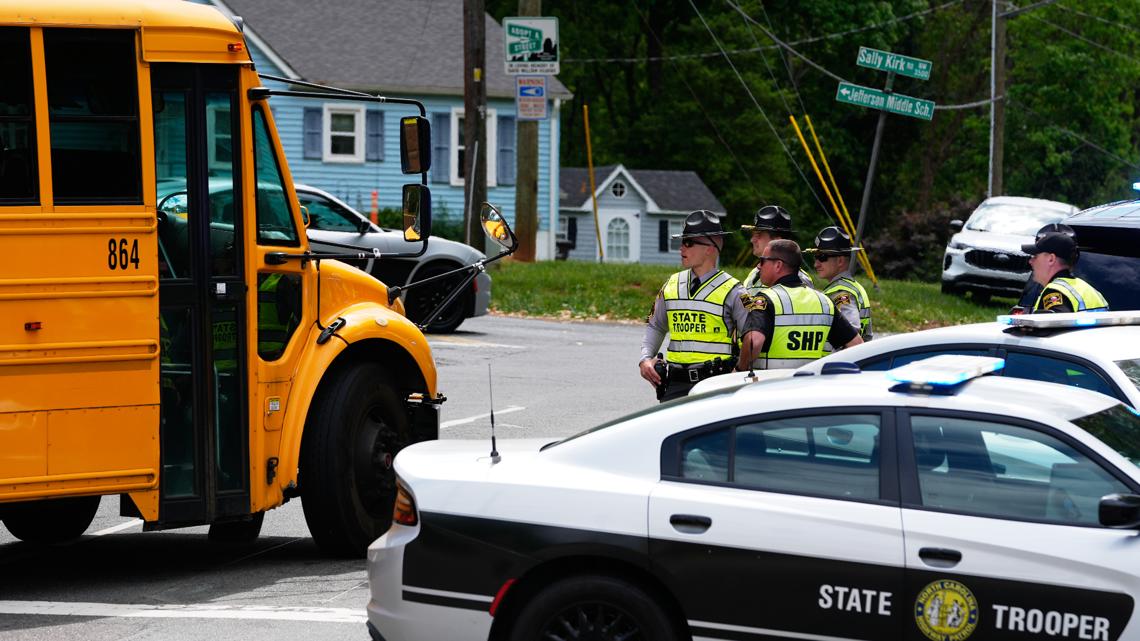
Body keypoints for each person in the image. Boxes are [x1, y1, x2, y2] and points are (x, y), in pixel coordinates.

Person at [640, 210, 763, 401]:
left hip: (716, 382)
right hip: (674, 383)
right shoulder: (671, 284)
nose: (681, 248)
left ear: (710, 248)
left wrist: (739, 370)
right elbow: (656, 325)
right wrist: (646, 358)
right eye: (682, 242)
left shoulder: (734, 290)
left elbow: (752, 337)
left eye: (688, 243)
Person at [743, 239, 863, 370]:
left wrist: (739, 368)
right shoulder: (824, 302)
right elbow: (857, 345)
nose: (759, 266)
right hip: (808, 386)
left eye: (762, 261)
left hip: (771, 385)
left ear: (778, 265)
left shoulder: (766, 299)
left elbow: (754, 342)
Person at [806, 226, 873, 342]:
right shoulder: (852, 286)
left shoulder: (841, 292)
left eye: (822, 257)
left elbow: (851, 330)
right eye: (815, 257)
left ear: (840, 261)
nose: (816, 265)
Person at [1021, 226, 1109, 313]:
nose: (1031, 261)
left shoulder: (1055, 291)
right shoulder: (1089, 290)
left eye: (1035, 256)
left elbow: (1058, 324)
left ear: (1051, 259)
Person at [741, 205, 813, 291]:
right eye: (753, 235)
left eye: (758, 234)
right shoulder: (754, 273)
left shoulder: (798, 279)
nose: (752, 240)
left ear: (778, 241)